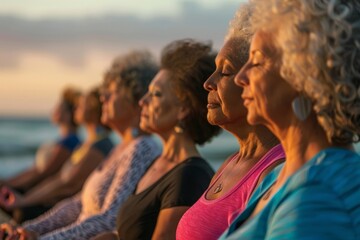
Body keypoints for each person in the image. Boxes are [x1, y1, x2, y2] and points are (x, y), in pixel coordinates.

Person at [220, 0, 360, 239]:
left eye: (257, 61)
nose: (240, 77)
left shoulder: (320, 194)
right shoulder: (276, 177)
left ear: (303, 75)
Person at [0, 50, 161, 240]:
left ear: (135, 100)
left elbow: (109, 220)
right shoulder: (121, 148)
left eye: (113, 92)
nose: (103, 98)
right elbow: (77, 204)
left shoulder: (141, 148)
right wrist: (29, 229)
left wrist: (43, 238)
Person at [176, 4, 285, 240]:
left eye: (225, 72)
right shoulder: (230, 164)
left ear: (257, 80)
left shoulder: (275, 171)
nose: (208, 83)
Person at [102, 39, 220, 240]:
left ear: (183, 109)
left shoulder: (189, 177)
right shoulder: (156, 163)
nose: (143, 101)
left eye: (156, 94)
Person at [0, 87, 114, 223]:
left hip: (72, 212)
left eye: (82, 104)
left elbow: (67, 184)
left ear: (93, 110)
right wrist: (25, 199)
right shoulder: (86, 144)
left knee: (21, 212)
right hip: (61, 205)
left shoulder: (99, 146)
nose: (76, 107)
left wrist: (25, 200)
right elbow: (58, 178)